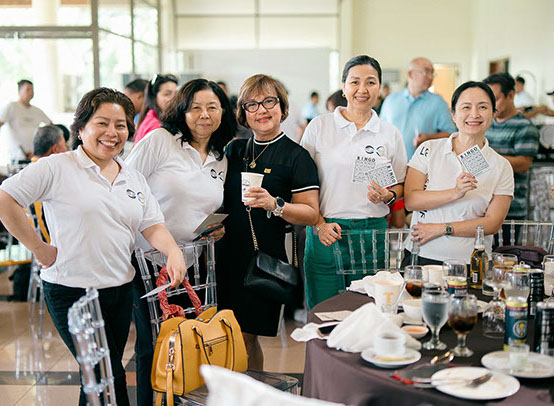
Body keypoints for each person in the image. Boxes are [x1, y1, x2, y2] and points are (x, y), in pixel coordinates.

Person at [0, 88, 187, 406]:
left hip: (119, 290)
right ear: (81, 128)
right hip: (72, 291)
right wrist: (39, 248)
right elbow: (6, 199)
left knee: (97, 380)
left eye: (120, 125)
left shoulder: (132, 176)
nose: (112, 132)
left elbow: (152, 225)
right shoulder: (57, 167)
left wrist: (173, 251)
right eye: (102, 123)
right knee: (107, 378)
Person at [126, 78, 235, 406]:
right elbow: (125, 187)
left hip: (190, 265)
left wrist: (215, 229)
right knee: (152, 345)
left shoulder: (220, 157)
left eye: (212, 107)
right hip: (146, 261)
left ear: (223, 112)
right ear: (182, 111)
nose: (205, 115)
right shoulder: (160, 141)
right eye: (196, 108)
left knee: (186, 343)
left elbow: (204, 206)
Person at [217, 74, 320, 370]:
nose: (261, 110)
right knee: (226, 334)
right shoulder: (234, 150)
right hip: (227, 255)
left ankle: (249, 390)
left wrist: (276, 204)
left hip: (264, 260)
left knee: (246, 337)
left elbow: (311, 214)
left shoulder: (296, 156)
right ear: (243, 112)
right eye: (252, 104)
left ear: (282, 107)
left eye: (269, 102)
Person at [301, 55, 407, 309]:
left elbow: (401, 183)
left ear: (379, 88)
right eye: (355, 82)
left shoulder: (390, 133)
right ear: (344, 87)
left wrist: (388, 195)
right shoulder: (319, 126)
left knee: (369, 311)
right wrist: (318, 224)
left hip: (372, 234)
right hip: (326, 231)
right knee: (324, 312)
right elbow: (301, 183)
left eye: (370, 82)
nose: (362, 89)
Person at [403, 81, 514, 266]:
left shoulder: (501, 166)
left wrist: (442, 229)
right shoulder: (429, 149)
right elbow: (411, 200)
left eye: (483, 107)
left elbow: (493, 223)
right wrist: (455, 192)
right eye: (466, 107)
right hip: (421, 256)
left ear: (493, 114)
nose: (474, 114)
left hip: (471, 263)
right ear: (453, 115)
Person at [483, 73, 539, 240]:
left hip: (511, 209)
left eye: (496, 99)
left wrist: (486, 157)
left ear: (511, 95)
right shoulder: (486, 124)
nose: (492, 105)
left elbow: (523, 164)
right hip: (482, 204)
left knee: (504, 253)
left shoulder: (525, 127)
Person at [380, 57, 456, 159]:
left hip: (423, 164)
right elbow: (380, 131)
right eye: (426, 72)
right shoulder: (390, 100)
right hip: (390, 163)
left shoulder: (438, 103)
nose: (431, 77)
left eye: (432, 73)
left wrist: (429, 138)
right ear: (411, 74)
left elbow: (451, 135)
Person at [0, 79, 51, 168]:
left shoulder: (37, 111)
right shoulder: (11, 107)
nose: (31, 92)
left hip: (35, 158)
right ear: (19, 91)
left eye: (32, 89)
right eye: (28, 89)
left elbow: (52, 127)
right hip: (16, 159)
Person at [133, 74, 178, 145]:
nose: (174, 99)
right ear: (154, 97)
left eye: (176, 94)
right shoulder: (155, 126)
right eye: (167, 94)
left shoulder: (152, 116)